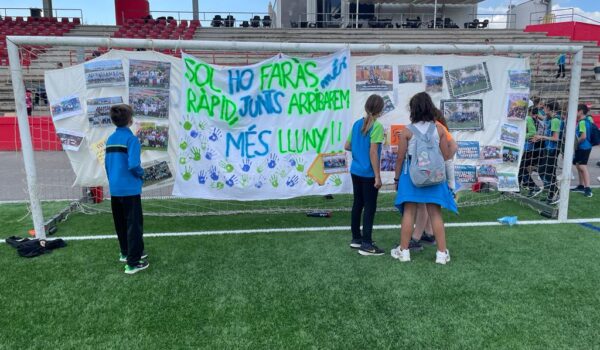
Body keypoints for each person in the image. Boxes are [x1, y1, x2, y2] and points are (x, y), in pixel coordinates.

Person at [391, 92, 457, 264]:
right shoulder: (439, 129)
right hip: (435, 176)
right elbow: (446, 155)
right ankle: (441, 254)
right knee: (435, 214)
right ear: (429, 107)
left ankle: (404, 252)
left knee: (409, 212)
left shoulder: (407, 131)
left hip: (411, 176)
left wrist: (397, 179)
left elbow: (399, 158)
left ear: (413, 109)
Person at [105, 104, 149, 274]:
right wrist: (142, 173)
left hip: (115, 189)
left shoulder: (110, 139)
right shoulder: (132, 140)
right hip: (130, 189)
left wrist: (114, 181)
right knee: (134, 225)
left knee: (121, 223)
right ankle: (133, 263)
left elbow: (107, 166)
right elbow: (133, 165)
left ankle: (125, 253)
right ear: (130, 120)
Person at [344, 94, 385, 256]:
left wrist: (359, 153)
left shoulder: (356, 124)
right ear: (380, 110)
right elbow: (373, 152)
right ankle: (367, 244)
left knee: (358, 204)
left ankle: (356, 238)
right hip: (368, 174)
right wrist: (377, 176)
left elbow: (347, 145)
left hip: (356, 171)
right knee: (370, 207)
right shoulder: (377, 126)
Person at [533, 100, 563, 205]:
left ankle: (556, 192)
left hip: (552, 150)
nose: (543, 109)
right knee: (550, 173)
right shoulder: (551, 119)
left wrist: (541, 137)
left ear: (549, 108)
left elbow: (555, 138)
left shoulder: (555, 120)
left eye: (544, 108)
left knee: (542, 171)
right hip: (548, 149)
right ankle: (551, 195)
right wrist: (539, 138)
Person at [519, 107, 544, 197]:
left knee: (521, 167)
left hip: (528, 148)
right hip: (527, 147)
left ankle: (533, 187)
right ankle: (519, 186)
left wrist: (520, 135)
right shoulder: (529, 119)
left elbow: (533, 133)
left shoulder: (528, 118)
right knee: (521, 167)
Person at [571, 104, 593, 198]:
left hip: (584, 147)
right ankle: (581, 185)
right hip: (582, 147)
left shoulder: (582, 122)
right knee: (578, 165)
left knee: (582, 166)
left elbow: (583, 136)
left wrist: (575, 144)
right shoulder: (586, 120)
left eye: (576, 111)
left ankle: (588, 188)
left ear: (580, 111)